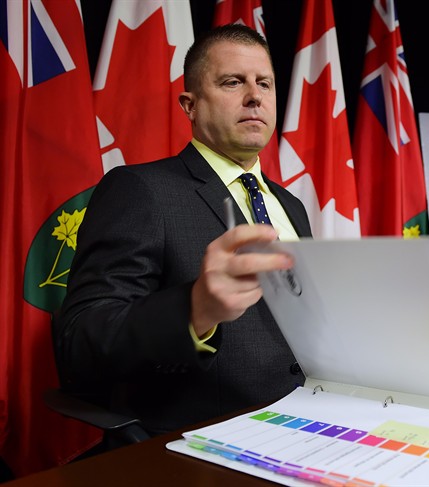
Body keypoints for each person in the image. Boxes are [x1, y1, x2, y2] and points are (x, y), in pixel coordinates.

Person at [53, 24, 312, 441]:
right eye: (233, 82)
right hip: (209, 439)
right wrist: (194, 310)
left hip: (313, 422)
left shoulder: (292, 206)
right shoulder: (140, 190)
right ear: (190, 105)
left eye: (264, 83)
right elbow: (79, 343)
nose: (255, 96)